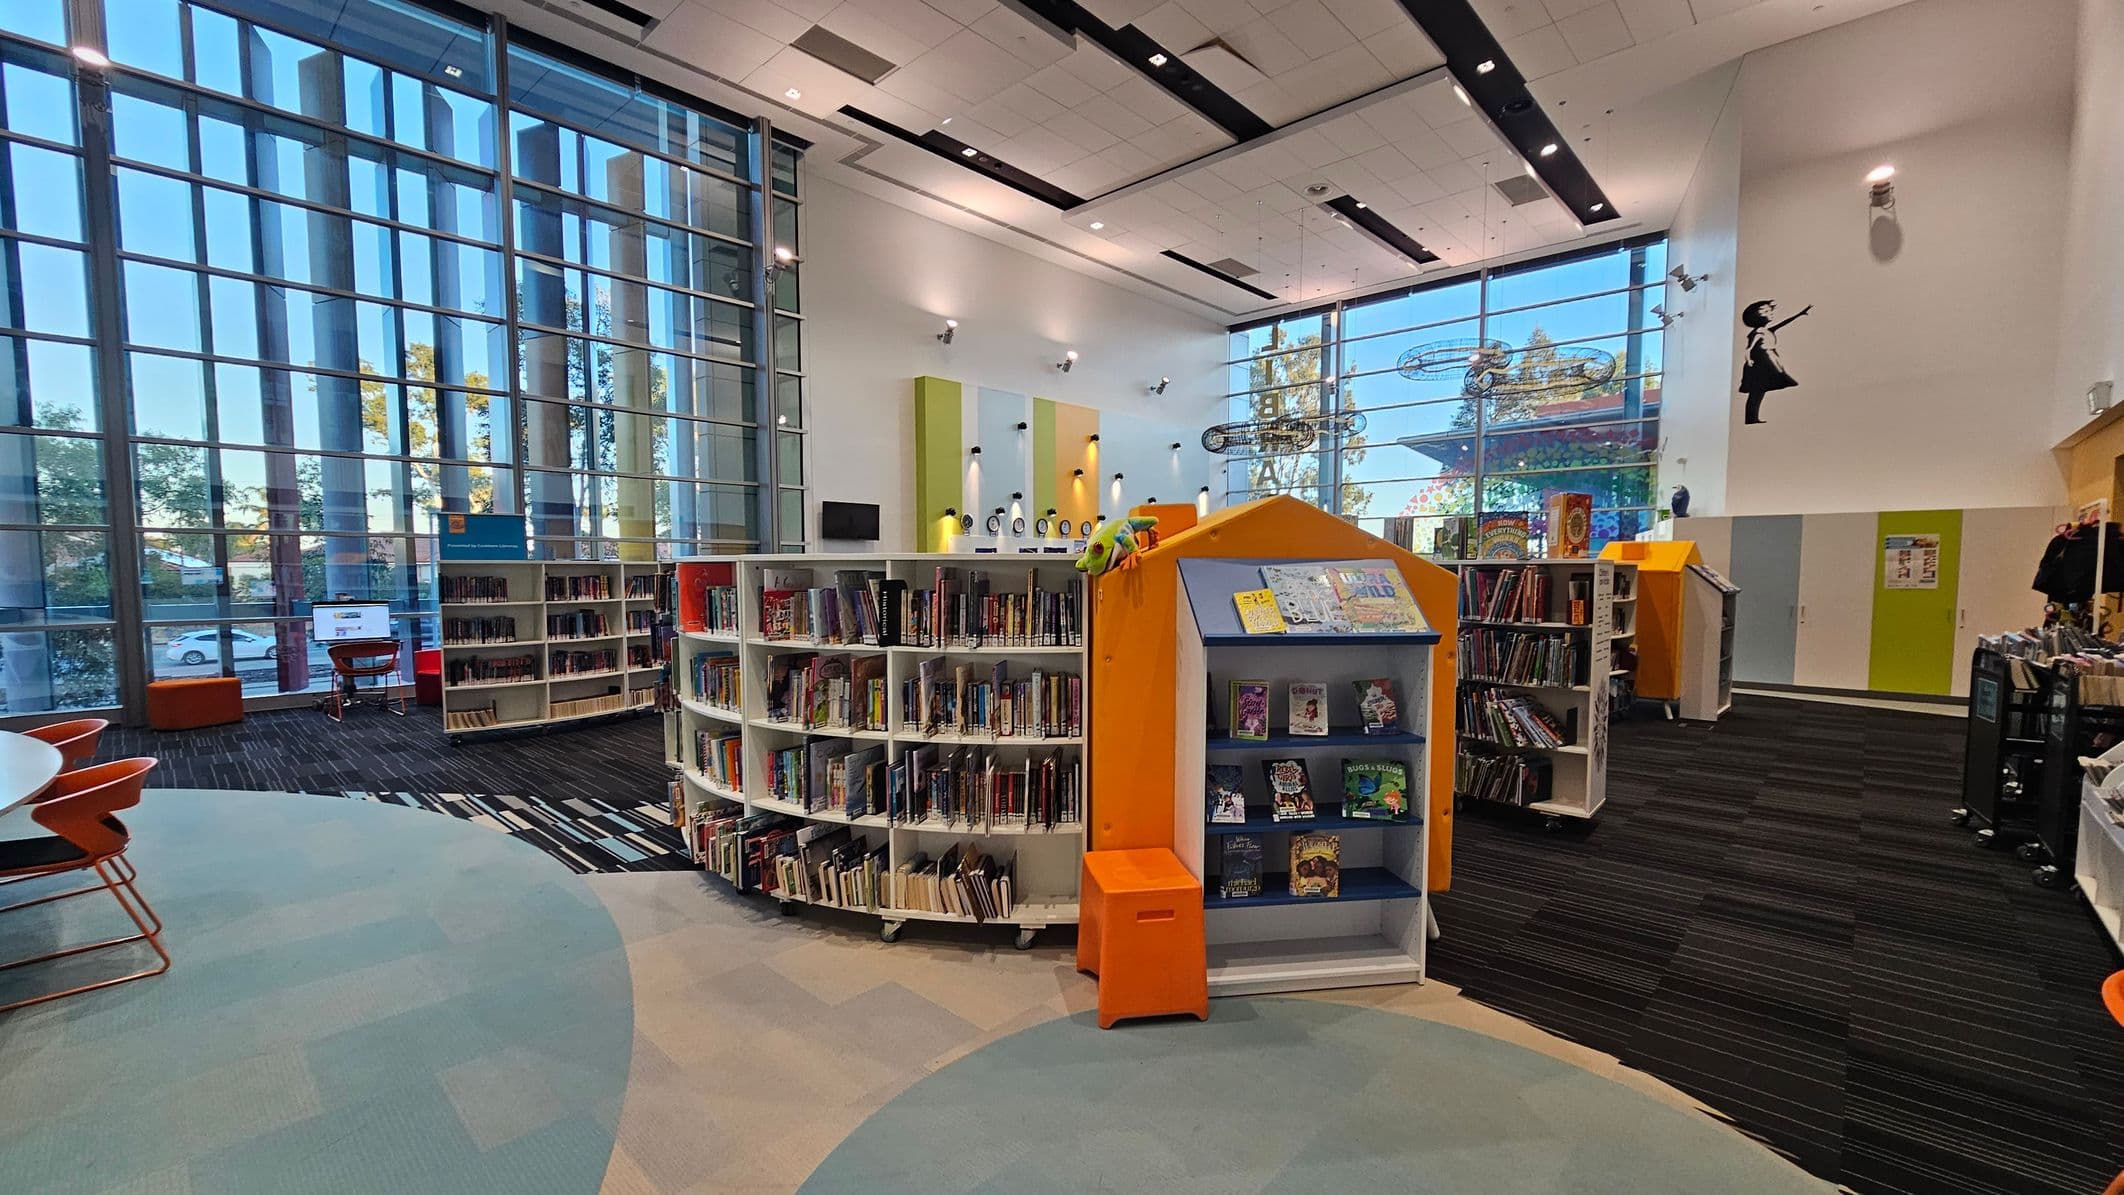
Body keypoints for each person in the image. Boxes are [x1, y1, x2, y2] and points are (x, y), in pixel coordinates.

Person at [1738, 299, 1811, 424]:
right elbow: (1749, 348)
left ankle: (1752, 418)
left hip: (1767, 360)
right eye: (1765, 311)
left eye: (1769, 310)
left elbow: (1784, 322)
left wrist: (1800, 314)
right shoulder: (1758, 332)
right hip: (1759, 364)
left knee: (1759, 391)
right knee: (1757, 391)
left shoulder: (1768, 330)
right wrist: (1749, 359)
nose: (1771, 313)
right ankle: (1751, 418)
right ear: (1757, 317)